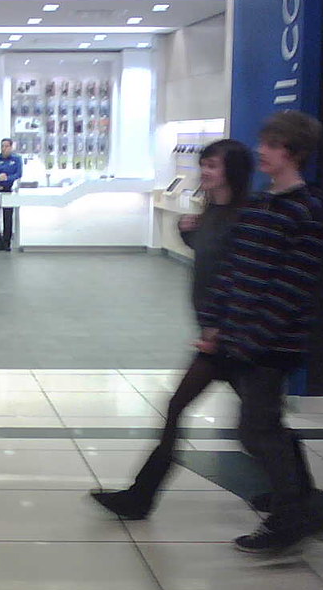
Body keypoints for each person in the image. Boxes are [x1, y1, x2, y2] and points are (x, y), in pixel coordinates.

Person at [89, 139, 286, 519]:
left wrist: (220, 328)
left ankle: (294, 496)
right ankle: (140, 497)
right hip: (217, 335)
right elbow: (212, 255)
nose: (204, 172)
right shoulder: (213, 211)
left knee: (258, 426)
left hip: (237, 338)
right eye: (204, 165)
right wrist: (187, 232)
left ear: (233, 170)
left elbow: (247, 278)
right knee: (248, 420)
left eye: (212, 166)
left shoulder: (249, 216)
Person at [198, 111, 323, 554]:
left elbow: (293, 287)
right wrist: (215, 321)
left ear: (291, 152)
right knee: (265, 425)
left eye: (271, 145)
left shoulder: (306, 209)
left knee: (256, 430)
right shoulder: (259, 204)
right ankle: (297, 495)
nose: (262, 151)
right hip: (238, 335)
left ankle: (291, 517)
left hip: (271, 343)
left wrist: (254, 341)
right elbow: (232, 270)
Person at [0, 138, 22, 251]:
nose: (4, 148)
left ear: (11, 147)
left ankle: (7, 243)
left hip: (8, 190)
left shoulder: (16, 159)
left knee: (8, 217)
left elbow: (18, 173)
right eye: (2, 146)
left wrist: (7, 177)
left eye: (7, 146)